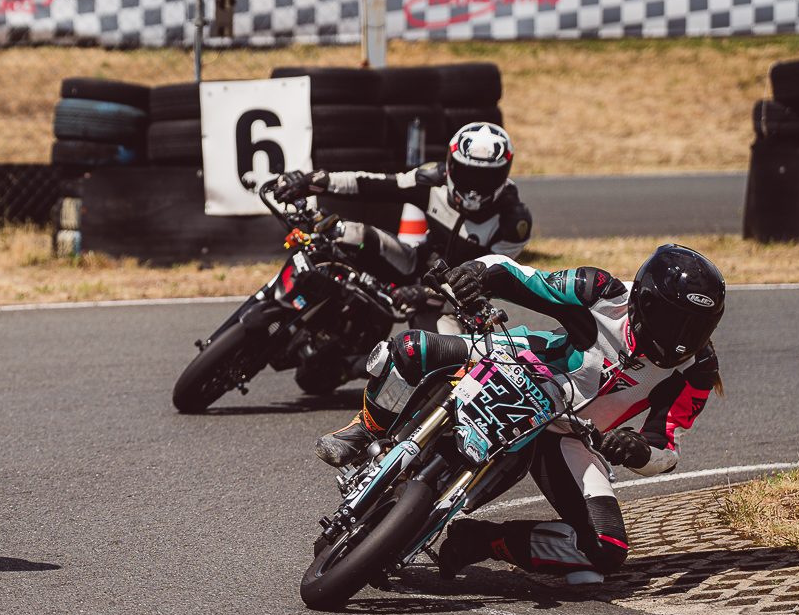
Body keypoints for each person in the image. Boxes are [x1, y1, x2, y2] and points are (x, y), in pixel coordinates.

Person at [315, 244, 725, 585]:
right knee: (406, 350)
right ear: (645, 302)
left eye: (696, 328)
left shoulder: (699, 371)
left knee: (606, 550)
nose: (681, 339)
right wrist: (474, 273)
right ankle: (364, 429)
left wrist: (638, 452)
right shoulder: (601, 291)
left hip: (568, 435)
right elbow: (514, 274)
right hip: (523, 362)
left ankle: (481, 540)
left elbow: (666, 448)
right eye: (674, 321)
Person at [270, 122, 535, 326]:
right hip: (412, 262)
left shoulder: (513, 222)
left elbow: (486, 282)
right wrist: (312, 181)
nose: (475, 187)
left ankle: (362, 365)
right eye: (468, 174)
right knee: (347, 233)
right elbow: (370, 183)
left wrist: (425, 294)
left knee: (435, 353)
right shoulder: (431, 181)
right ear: (451, 166)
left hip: (454, 304)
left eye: (485, 177)